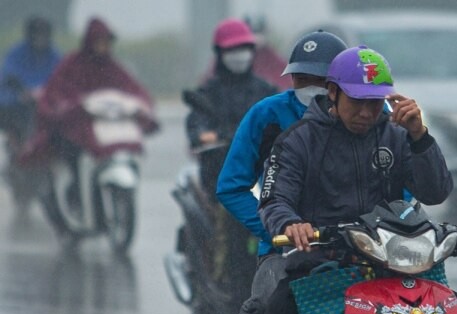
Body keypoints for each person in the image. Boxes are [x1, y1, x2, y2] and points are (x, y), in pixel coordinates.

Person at [255, 46, 457, 314]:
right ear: (332, 92)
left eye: (375, 102)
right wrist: (289, 224)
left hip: (393, 266)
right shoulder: (298, 141)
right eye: (357, 101)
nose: (366, 112)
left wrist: (420, 136)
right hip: (321, 269)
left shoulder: (397, 137)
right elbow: (273, 199)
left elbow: (436, 191)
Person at [212, 30, 347, 314]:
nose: (309, 89)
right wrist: (275, 229)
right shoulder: (268, 115)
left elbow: (403, 187)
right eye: (300, 79)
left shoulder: (367, 115)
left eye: (319, 81)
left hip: (356, 244)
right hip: (286, 247)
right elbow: (231, 184)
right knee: (266, 307)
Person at [185, 18, 276, 292]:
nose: (239, 55)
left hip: (264, 176)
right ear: (220, 54)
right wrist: (204, 134)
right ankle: (223, 277)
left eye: (244, 48)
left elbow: (284, 118)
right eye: (232, 49)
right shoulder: (209, 93)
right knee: (232, 219)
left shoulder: (265, 90)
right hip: (222, 177)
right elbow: (196, 121)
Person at [18, 17, 157, 167]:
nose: (103, 47)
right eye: (99, 42)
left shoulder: (112, 67)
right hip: (76, 125)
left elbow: (134, 90)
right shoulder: (72, 64)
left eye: (106, 42)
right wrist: (69, 106)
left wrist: (142, 105)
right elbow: (55, 93)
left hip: (106, 123)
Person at [0, 16, 61, 210]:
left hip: (46, 107)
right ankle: (16, 151)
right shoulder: (16, 54)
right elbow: (7, 76)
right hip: (19, 105)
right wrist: (20, 93)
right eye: (37, 34)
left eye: (43, 34)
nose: (40, 38)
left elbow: (63, 77)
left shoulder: (55, 56)